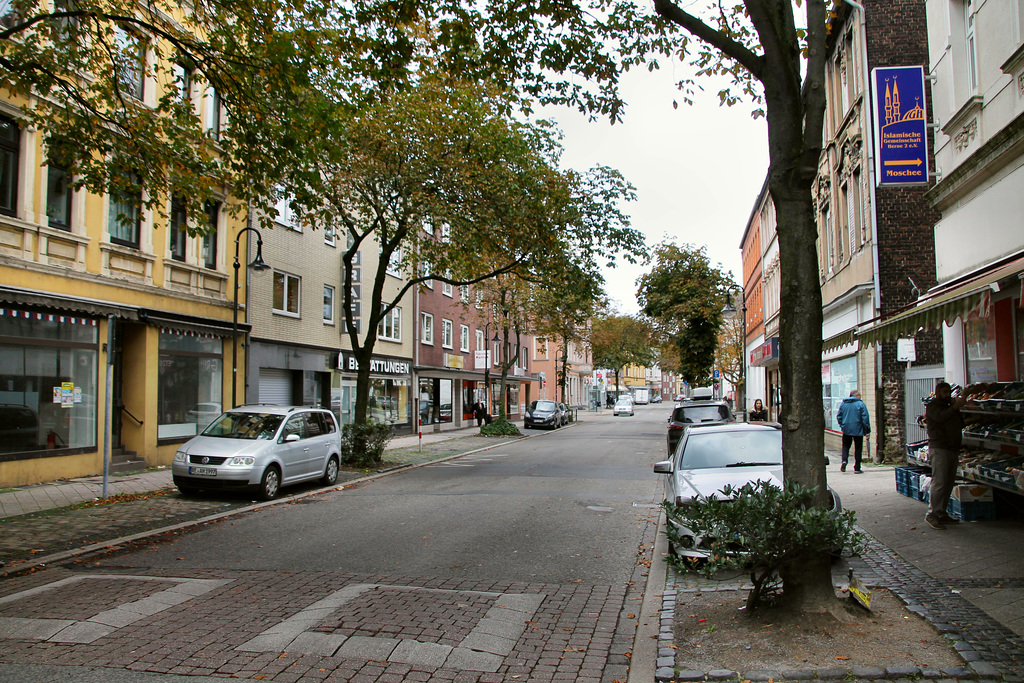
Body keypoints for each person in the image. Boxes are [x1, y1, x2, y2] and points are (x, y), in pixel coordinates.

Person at [924, 381, 968, 530]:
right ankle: (932, 514)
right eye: (944, 392)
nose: (947, 395)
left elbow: (960, 423)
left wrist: (956, 407)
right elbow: (941, 418)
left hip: (952, 448)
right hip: (940, 448)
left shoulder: (950, 406)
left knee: (949, 482)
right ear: (938, 393)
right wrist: (955, 407)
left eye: (949, 392)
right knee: (940, 481)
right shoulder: (933, 407)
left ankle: (942, 512)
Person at [836, 390, 871, 473]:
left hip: (846, 429)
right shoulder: (861, 404)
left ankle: (844, 460)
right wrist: (867, 430)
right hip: (858, 429)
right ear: (857, 396)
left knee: (845, 446)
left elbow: (839, 416)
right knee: (858, 448)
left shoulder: (844, 404)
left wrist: (842, 425)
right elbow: (865, 418)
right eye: (860, 395)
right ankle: (857, 467)